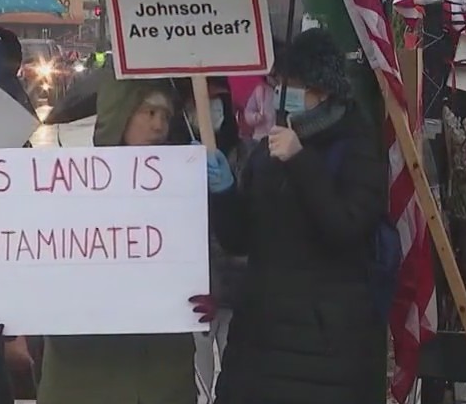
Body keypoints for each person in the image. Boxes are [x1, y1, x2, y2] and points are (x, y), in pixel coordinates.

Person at [206, 29, 389, 404]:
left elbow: (346, 226)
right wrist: (223, 192)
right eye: (277, 84)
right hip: (259, 345)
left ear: (322, 90)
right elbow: (239, 239)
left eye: (292, 85)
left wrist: (301, 161)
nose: (279, 94)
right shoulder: (266, 150)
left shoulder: (355, 146)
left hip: (324, 352)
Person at [38, 78, 211, 404]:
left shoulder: (182, 190)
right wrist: (5, 308)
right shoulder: (69, 190)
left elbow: (201, 260)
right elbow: (33, 268)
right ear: (121, 114)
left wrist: (205, 293)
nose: (159, 125)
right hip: (82, 378)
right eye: (149, 112)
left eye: (166, 116)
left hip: (160, 378)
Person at [176, 77, 250, 402]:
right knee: (195, 384)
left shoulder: (248, 156)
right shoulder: (172, 159)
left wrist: (227, 191)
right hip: (191, 297)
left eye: (216, 103)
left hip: (238, 293)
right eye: (200, 105)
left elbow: (251, 228)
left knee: (238, 381)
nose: (209, 111)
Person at [242, 76, 276, 141]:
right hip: (261, 137)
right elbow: (248, 112)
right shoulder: (260, 90)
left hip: (282, 137)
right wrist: (256, 117)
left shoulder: (289, 90)